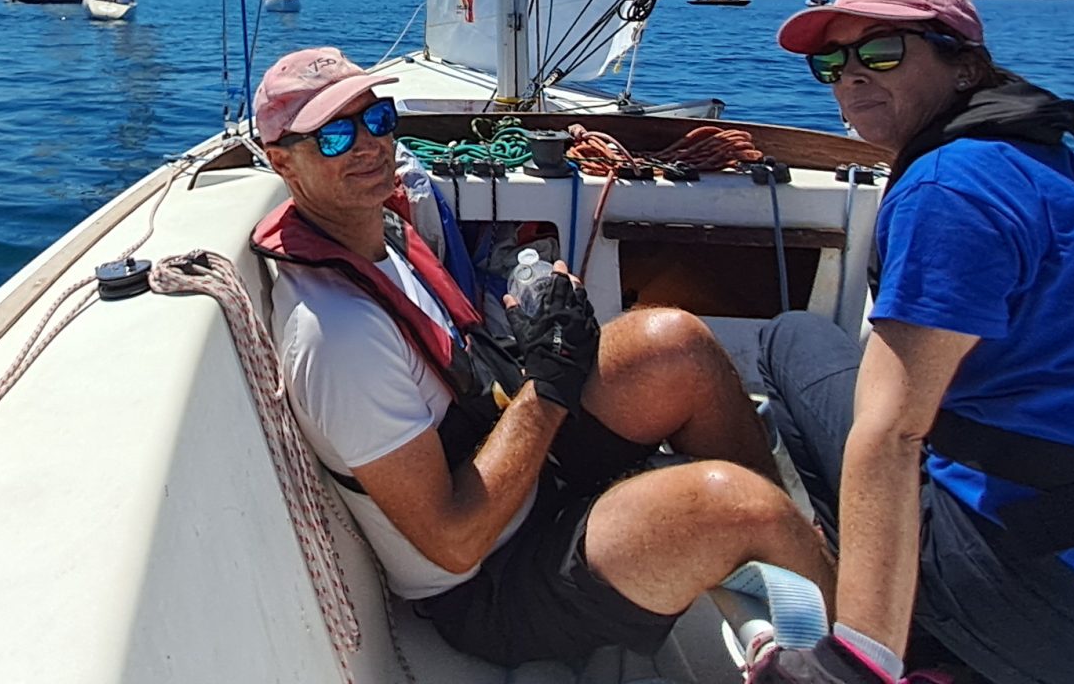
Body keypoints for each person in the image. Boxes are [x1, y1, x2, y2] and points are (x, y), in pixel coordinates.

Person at [737, 0, 1074, 684]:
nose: (850, 76)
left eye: (881, 51)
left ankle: (887, 636)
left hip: (1055, 613)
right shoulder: (1046, 158)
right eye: (831, 62)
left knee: (792, 338)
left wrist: (851, 667)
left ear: (966, 66)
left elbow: (893, 433)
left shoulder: (949, 186)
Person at [250, 46, 831, 669]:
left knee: (677, 344)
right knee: (736, 504)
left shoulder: (381, 237)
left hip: (518, 472)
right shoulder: (337, 335)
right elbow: (454, 543)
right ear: (283, 162)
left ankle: (795, 558)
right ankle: (854, 644)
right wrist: (550, 379)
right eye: (333, 136)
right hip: (494, 577)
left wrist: (541, 339)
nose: (368, 145)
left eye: (377, 119)